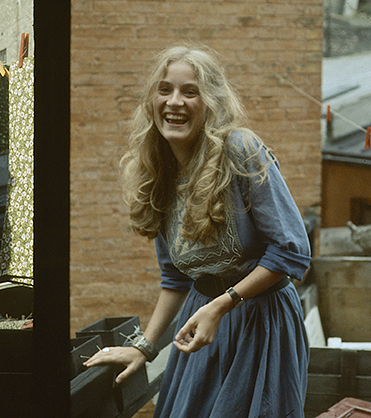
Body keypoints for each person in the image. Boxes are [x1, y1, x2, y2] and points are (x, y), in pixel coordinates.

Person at [84, 44, 311, 418]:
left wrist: (222, 305)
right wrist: (144, 347)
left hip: (260, 320)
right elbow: (175, 278)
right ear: (151, 101)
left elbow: (291, 250)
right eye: (165, 90)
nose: (175, 102)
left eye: (190, 92)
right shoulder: (157, 172)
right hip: (202, 319)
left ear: (211, 103)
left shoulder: (241, 149)